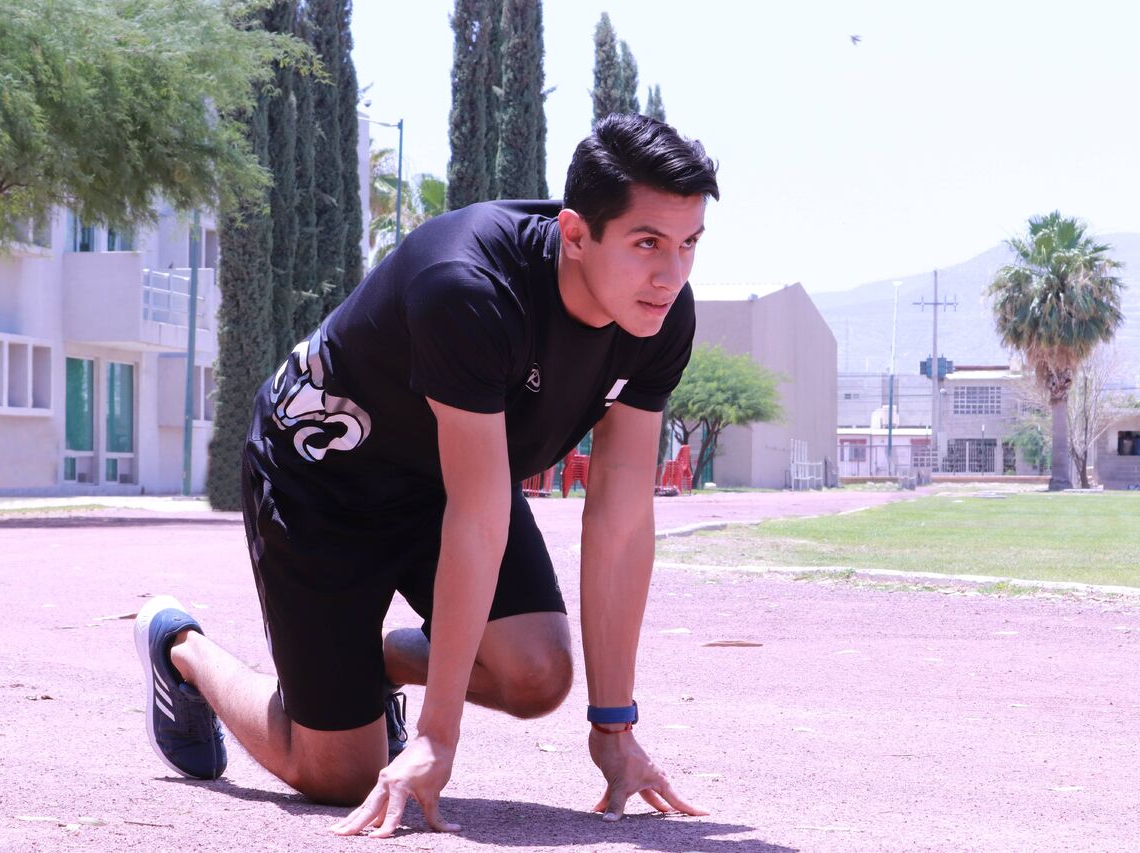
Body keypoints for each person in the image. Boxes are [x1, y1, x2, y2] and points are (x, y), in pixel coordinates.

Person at [134, 113, 719, 837]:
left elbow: (620, 518)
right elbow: (477, 516)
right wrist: (437, 736)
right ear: (575, 234)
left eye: (689, 244)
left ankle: (369, 667)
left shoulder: (660, 316)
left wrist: (614, 727)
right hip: (323, 477)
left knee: (537, 675)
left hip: (445, 478)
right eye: (647, 243)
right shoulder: (468, 287)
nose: (671, 274)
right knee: (338, 774)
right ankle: (182, 649)